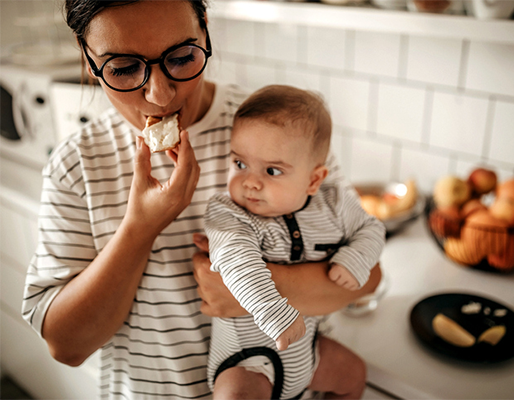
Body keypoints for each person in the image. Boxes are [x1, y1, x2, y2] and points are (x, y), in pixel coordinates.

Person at [20, 1, 382, 399]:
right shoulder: (76, 166)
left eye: (181, 57)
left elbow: (367, 278)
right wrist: (140, 228)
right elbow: (65, 346)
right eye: (123, 68)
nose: (159, 95)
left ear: (205, 29)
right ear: (88, 57)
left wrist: (246, 289)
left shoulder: (278, 128)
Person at [204, 85, 386, 400]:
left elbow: (372, 228)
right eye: (240, 164)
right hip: (248, 359)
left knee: (354, 374)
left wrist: (356, 257)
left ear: (314, 180)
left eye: (272, 170)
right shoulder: (228, 213)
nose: (250, 181)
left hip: (308, 351)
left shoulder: (334, 203)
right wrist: (275, 312)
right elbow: (237, 262)